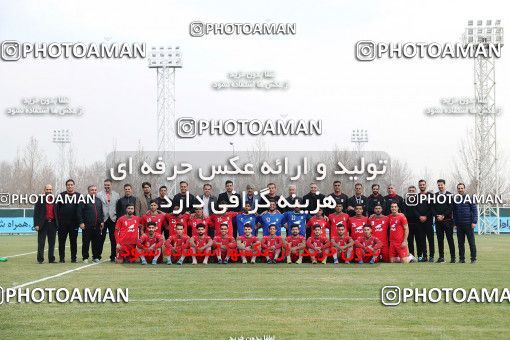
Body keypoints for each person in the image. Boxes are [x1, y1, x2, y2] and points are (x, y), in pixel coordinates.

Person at [56, 179, 81, 263]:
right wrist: (58, 222)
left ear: (74, 185)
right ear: (66, 186)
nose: (70, 186)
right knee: (61, 242)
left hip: (74, 224)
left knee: (73, 242)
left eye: (71, 184)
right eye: (68, 185)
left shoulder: (79, 196)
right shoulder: (60, 196)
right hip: (62, 224)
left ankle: (73, 258)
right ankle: (61, 259)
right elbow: (56, 210)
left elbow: (81, 210)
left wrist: (79, 222)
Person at [78, 185, 104, 263]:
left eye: (95, 190)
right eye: (92, 190)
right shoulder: (83, 200)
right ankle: (85, 257)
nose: (94, 191)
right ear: (88, 191)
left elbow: (101, 212)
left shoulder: (99, 200)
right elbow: (79, 213)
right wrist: (81, 222)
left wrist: (102, 221)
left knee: (96, 242)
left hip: (97, 225)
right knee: (86, 242)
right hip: (87, 225)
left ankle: (95, 257)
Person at [453, 183, 478, 264]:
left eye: (461, 188)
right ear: (457, 189)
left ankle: (473, 259)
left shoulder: (469, 198)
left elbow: (475, 211)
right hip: (459, 225)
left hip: (469, 224)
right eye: (459, 188)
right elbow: (455, 213)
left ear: (464, 188)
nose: (460, 189)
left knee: (471, 243)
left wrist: (474, 222)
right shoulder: (456, 199)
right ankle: (461, 259)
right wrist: (455, 223)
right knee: (460, 243)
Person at [97, 179, 120, 262]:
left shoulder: (117, 195)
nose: (106, 186)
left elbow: (118, 207)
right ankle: (98, 256)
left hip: (113, 219)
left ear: (111, 185)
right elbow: (97, 207)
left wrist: (117, 218)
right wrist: (100, 219)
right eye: (105, 185)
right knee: (101, 238)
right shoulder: (99, 194)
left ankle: (113, 256)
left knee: (113, 239)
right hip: (103, 219)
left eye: (108, 185)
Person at [33, 184, 58, 264]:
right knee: (41, 242)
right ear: (44, 190)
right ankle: (40, 259)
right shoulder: (40, 199)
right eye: (47, 189)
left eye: (50, 189)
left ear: (52, 190)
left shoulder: (55, 199)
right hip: (43, 224)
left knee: (52, 243)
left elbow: (57, 212)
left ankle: (51, 259)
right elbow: (36, 213)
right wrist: (36, 224)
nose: (49, 191)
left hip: (53, 224)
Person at [433, 179, 455, 263]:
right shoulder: (434, 195)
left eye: (441, 185)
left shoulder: (449, 195)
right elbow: (432, 207)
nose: (440, 186)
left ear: (444, 185)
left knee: (450, 239)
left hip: (448, 221)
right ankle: (441, 257)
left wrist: (443, 215)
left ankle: (453, 258)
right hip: (438, 221)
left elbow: (451, 207)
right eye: (438, 185)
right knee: (439, 240)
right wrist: (437, 216)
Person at [416, 180, 434, 262]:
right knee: (422, 239)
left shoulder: (431, 195)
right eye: (420, 185)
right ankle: (425, 256)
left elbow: (432, 208)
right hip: (419, 222)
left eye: (423, 184)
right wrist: (419, 216)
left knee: (430, 239)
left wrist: (426, 216)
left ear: (426, 185)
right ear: (419, 186)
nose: (422, 186)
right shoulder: (416, 196)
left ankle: (431, 256)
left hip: (428, 221)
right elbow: (414, 208)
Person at [404, 186, 420, 259]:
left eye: (413, 190)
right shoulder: (405, 200)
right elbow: (404, 211)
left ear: (415, 191)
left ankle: (420, 256)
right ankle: (411, 256)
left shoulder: (419, 199)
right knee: (410, 241)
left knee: (419, 240)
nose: (411, 192)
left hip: (418, 223)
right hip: (408, 224)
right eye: (410, 190)